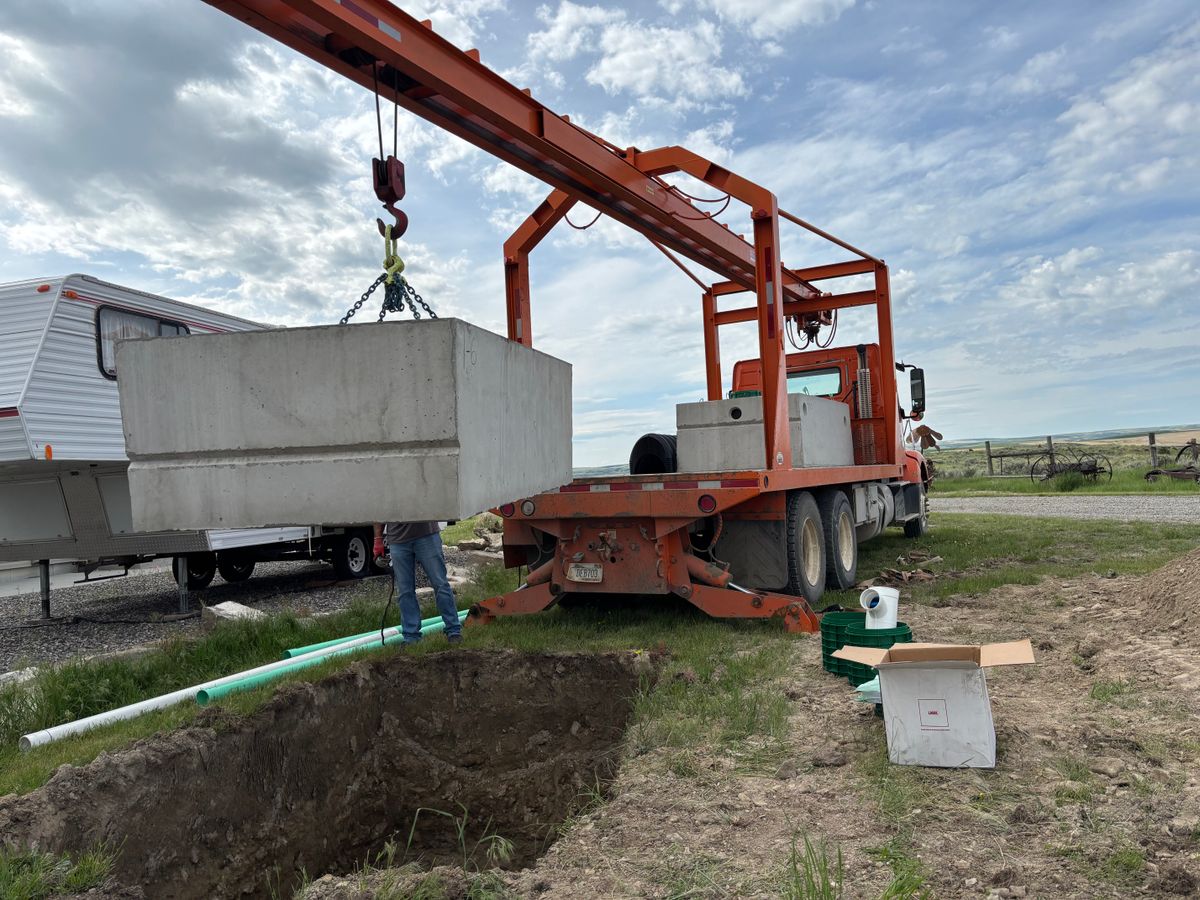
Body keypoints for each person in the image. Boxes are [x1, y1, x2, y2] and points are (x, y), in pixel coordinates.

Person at [373, 521, 462, 645]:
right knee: (405, 591)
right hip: (398, 540)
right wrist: (377, 539)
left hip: (426, 535)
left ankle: (453, 630)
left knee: (440, 584)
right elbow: (379, 512)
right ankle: (411, 637)